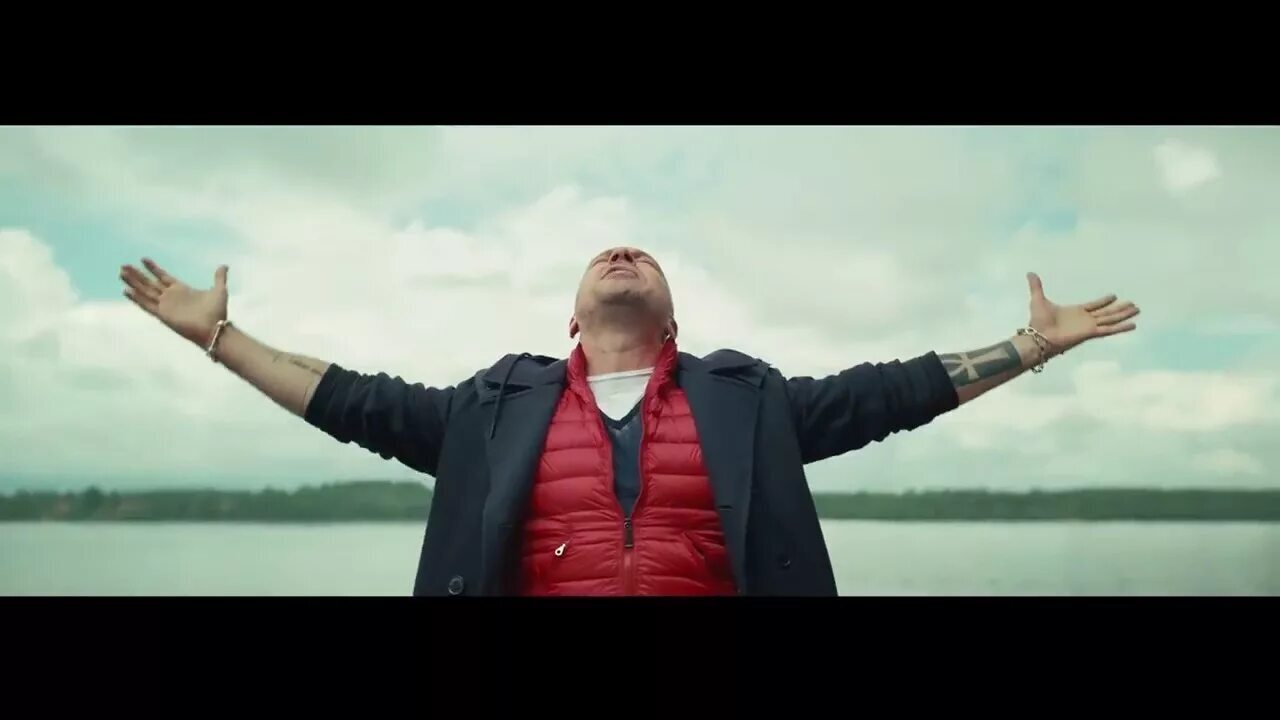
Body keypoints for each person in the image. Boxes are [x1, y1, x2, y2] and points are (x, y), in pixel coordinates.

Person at [119, 247, 1139, 596]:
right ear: (571, 315)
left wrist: (1033, 344)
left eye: (642, 255)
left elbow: (893, 392)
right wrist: (221, 338)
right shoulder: (492, 409)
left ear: (672, 317)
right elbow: (347, 399)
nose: (622, 253)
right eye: (604, 255)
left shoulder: (746, 401)